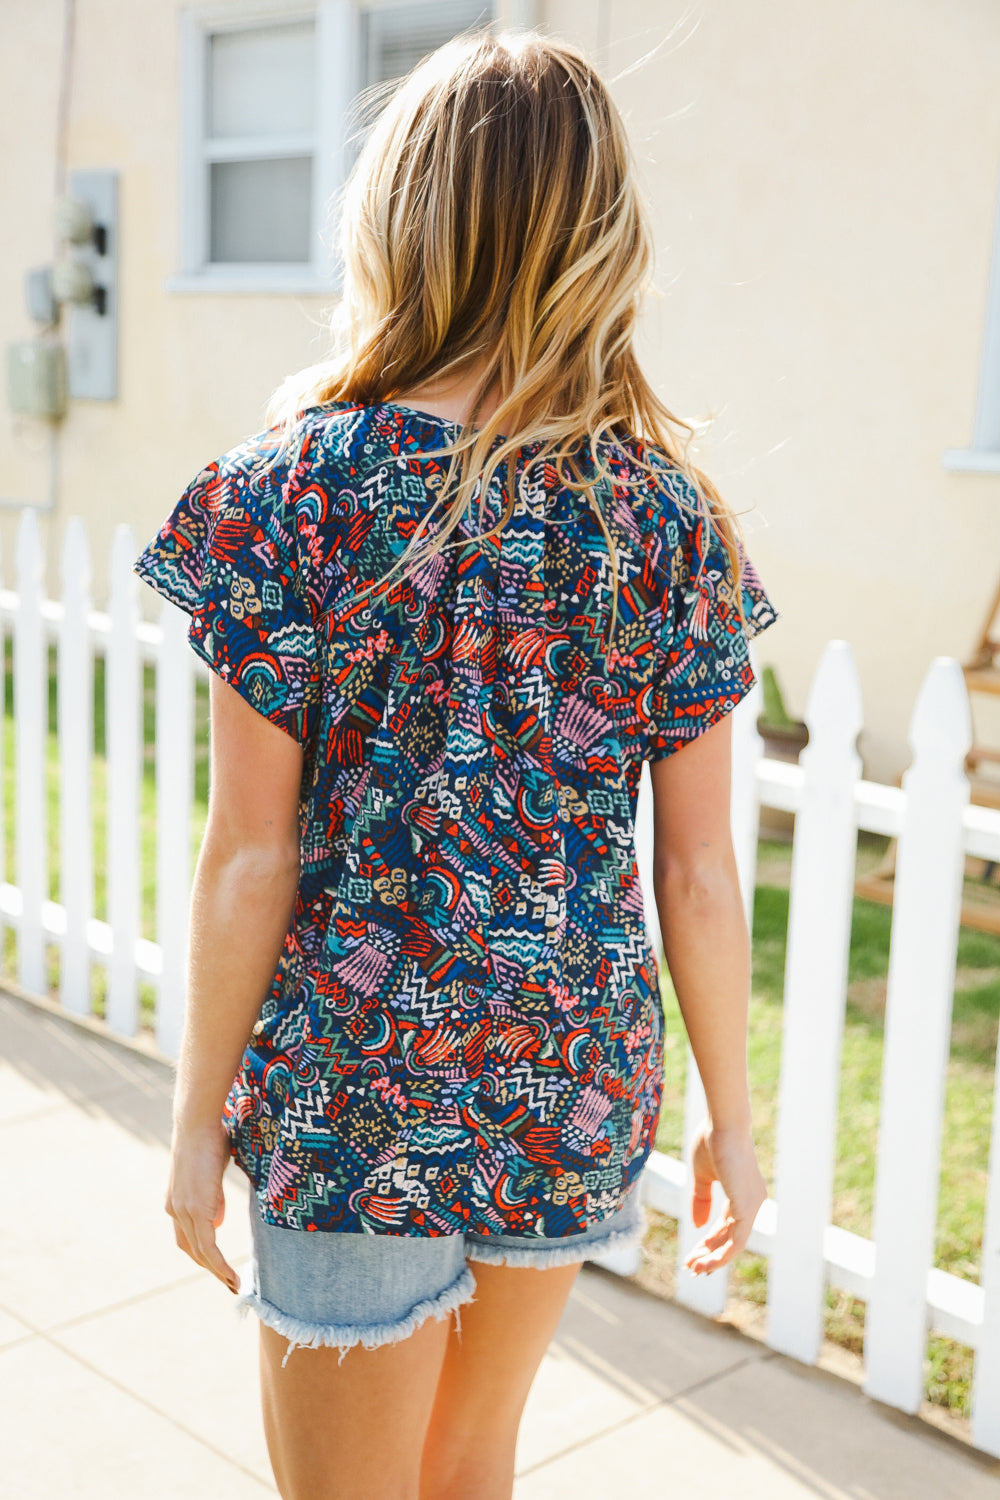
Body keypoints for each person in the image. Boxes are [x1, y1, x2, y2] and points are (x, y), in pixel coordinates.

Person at [132, 25, 779, 1500]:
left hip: (360, 1089)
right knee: (470, 1464)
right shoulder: (669, 521)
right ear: (602, 234)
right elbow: (697, 865)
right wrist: (731, 1126)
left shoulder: (288, 496)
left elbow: (249, 854)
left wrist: (193, 1124)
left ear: (397, 213)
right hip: (569, 1068)